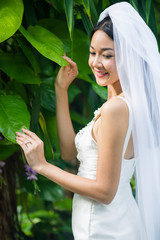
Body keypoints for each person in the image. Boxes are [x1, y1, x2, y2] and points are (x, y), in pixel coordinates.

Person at [16, 2, 160, 239]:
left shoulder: (117, 108)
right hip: (110, 221)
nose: (95, 62)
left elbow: (104, 191)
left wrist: (41, 166)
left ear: (129, 56)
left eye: (107, 55)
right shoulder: (124, 104)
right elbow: (70, 155)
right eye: (93, 52)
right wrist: (61, 91)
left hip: (106, 227)